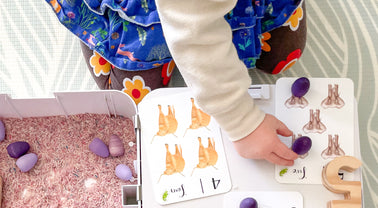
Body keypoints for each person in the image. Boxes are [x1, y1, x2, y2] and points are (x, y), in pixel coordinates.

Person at [45, 0, 307, 166]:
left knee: (281, 57)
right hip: (148, 9)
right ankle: (98, 20)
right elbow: (196, 31)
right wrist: (242, 123)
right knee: (130, 98)